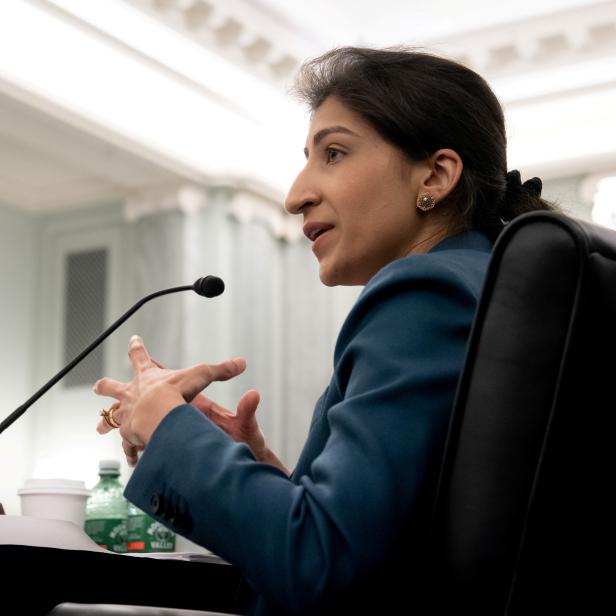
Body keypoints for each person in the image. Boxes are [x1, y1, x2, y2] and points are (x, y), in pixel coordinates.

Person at [94, 47, 556, 614]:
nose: (295, 196)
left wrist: (164, 425)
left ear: (435, 174)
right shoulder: (485, 284)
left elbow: (320, 566)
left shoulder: (423, 294)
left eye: (334, 153)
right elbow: (398, 550)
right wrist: (257, 471)